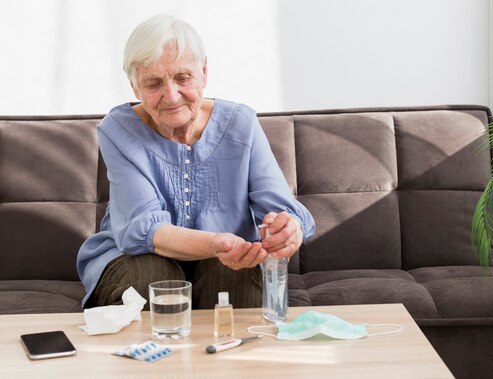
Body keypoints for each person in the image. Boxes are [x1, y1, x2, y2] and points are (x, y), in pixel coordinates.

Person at [76, 14, 315, 310]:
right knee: (154, 276)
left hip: (227, 258)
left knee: (231, 275)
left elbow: (282, 210)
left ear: (203, 72)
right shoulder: (118, 130)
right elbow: (143, 230)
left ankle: (232, 357)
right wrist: (216, 242)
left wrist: (287, 229)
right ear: (134, 87)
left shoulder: (241, 124)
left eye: (182, 77)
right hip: (135, 259)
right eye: (153, 83)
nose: (171, 95)